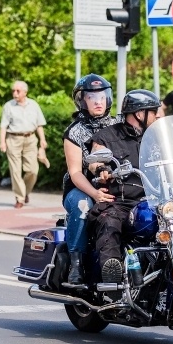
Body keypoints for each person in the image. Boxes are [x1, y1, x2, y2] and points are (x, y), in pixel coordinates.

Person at [88, 89, 163, 284]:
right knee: (109, 221)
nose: (157, 116)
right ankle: (112, 270)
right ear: (140, 114)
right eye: (154, 112)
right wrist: (101, 167)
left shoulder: (157, 137)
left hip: (157, 201)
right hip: (122, 202)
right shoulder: (107, 136)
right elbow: (95, 158)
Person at [62, 74, 119, 285]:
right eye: (92, 97)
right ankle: (76, 264)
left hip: (114, 186)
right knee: (82, 205)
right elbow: (75, 172)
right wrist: (95, 193)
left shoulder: (117, 123)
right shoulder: (75, 132)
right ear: (82, 101)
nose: (98, 101)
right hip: (81, 188)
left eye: (102, 96)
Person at [0, 81, 47, 209]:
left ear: (25, 92)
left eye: (18, 91)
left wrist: (42, 139)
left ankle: (25, 192)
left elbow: (39, 124)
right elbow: (3, 126)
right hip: (13, 139)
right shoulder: (8, 106)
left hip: (30, 138)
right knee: (15, 170)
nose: (15, 93)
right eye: (13, 91)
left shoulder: (34, 105)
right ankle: (20, 198)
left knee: (33, 170)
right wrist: (2, 142)